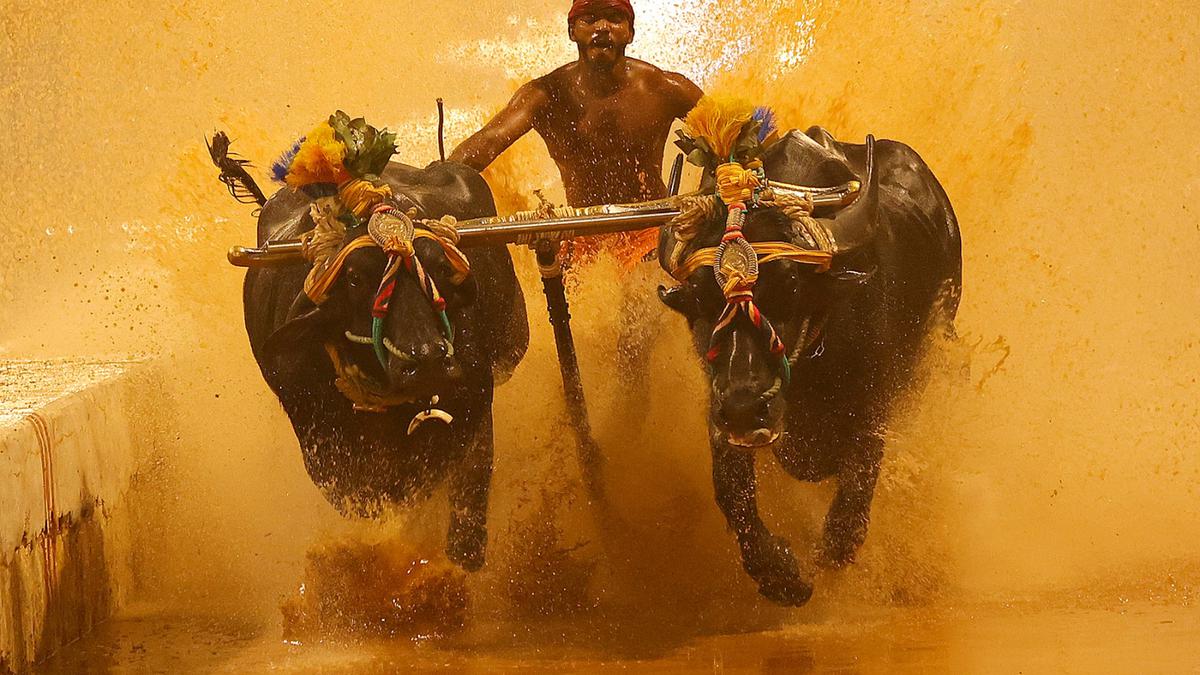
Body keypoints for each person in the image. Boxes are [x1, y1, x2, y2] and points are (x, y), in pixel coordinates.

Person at [450, 0, 703, 226]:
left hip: (652, 232)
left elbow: (731, 133)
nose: (602, 27)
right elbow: (487, 143)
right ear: (572, 32)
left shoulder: (664, 89)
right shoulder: (545, 95)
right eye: (589, 19)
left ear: (630, 33)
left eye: (614, 19)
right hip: (581, 239)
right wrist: (436, 183)